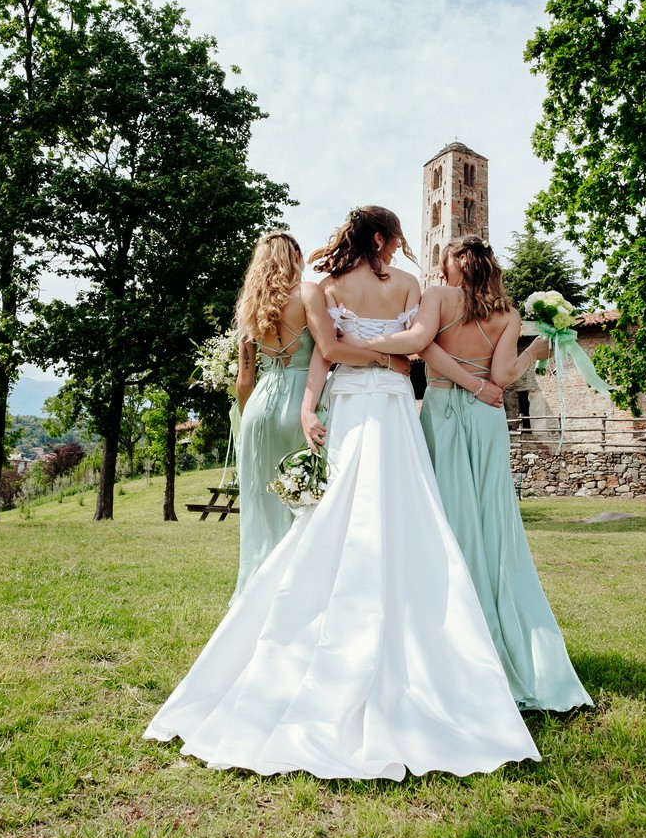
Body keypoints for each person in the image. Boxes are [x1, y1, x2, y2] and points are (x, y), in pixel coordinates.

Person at [144, 210, 540, 779]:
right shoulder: (404, 286)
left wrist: (316, 399)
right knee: (361, 513)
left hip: (356, 400)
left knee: (385, 512)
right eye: (396, 238)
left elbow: (329, 354)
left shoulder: (329, 286)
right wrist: (366, 368)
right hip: (387, 399)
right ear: (380, 239)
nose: (401, 247)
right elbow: (398, 349)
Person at [347, 234, 592, 712]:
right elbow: (502, 378)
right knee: (491, 522)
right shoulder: (508, 313)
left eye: (444, 265)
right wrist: (530, 356)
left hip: (441, 410)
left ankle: (450, 631)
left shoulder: (437, 297)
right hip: (486, 418)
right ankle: (499, 631)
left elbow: (423, 348)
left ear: (455, 266)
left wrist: (467, 384)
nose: (440, 273)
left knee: (443, 516)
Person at [233, 230, 410, 600]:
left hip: (258, 409)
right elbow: (330, 348)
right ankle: (296, 593)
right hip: (302, 401)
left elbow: (244, 380)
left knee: (260, 507)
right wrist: (383, 359)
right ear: (296, 257)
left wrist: (249, 419)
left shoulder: (249, 305)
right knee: (306, 502)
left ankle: (254, 595)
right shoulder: (307, 293)